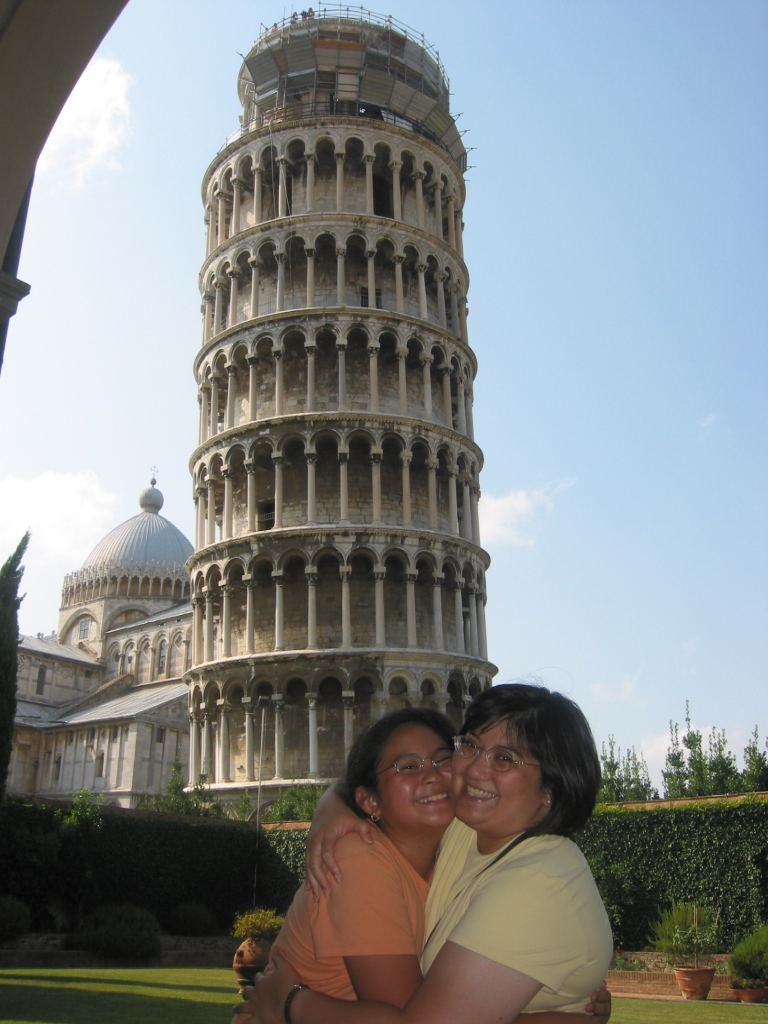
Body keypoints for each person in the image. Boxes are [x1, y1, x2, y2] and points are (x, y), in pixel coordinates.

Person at [236, 684, 614, 1024]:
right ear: (368, 801)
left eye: (504, 759)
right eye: (470, 746)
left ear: (550, 791)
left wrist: (290, 1003)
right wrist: (331, 807)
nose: (473, 770)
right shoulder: (457, 834)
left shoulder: (533, 879)